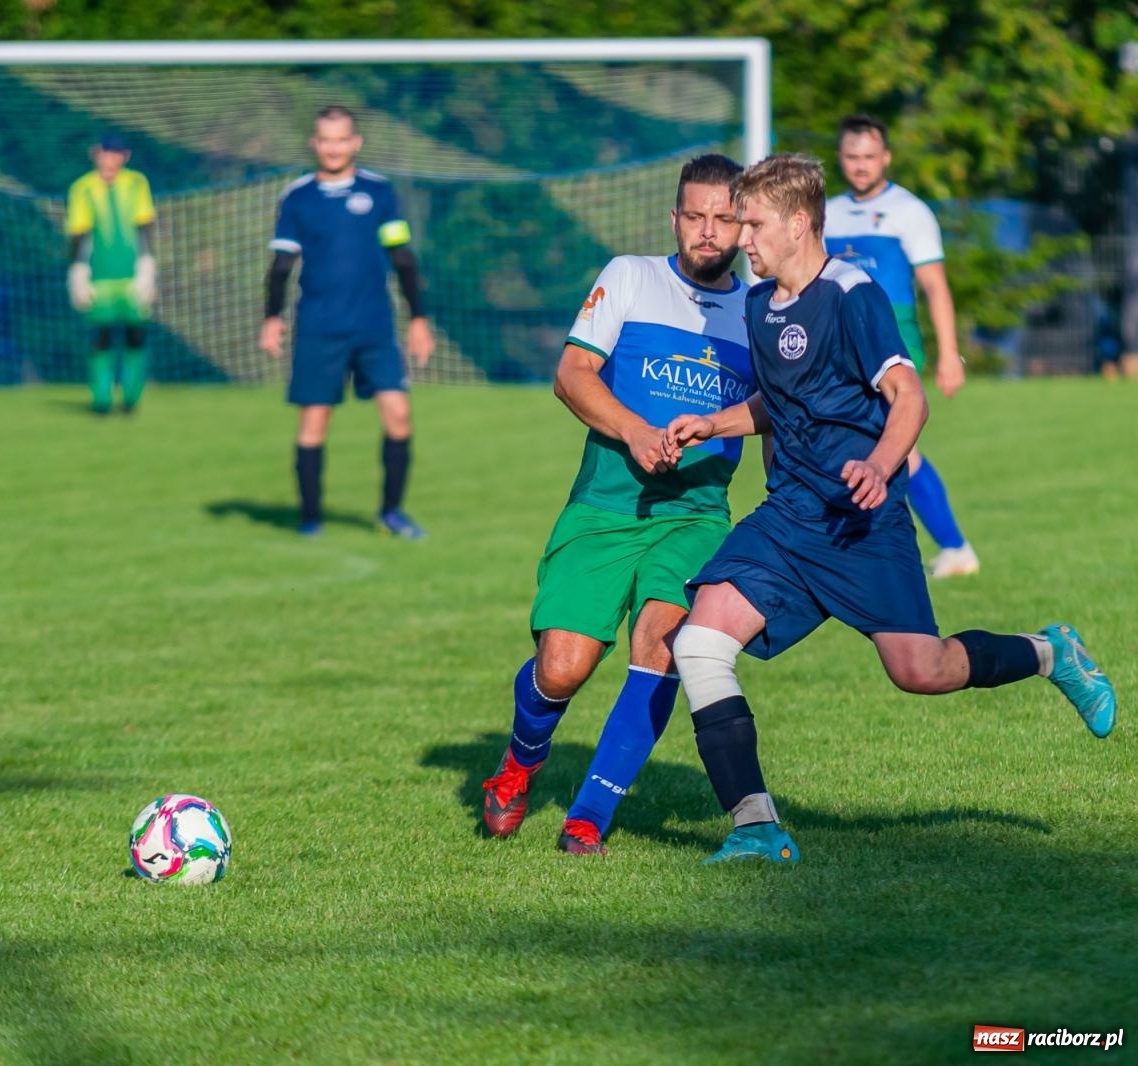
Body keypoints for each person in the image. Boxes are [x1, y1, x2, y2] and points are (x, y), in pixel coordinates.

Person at [662, 154, 1117, 865]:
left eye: (752, 223)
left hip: (860, 522)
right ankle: (756, 825)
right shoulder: (757, 303)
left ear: (798, 223)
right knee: (697, 643)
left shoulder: (852, 294)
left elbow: (910, 397)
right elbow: (778, 405)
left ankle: (1051, 651)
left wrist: (878, 464)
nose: (739, 238)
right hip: (788, 519)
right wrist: (714, 423)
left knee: (920, 670)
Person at [479, 154, 754, 855]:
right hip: (606, 508)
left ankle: (587, 821)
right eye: (695, 215)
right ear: (675, 217)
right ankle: (518, 765)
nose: (708, 231)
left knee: (661, 642)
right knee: (562, 667)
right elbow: (571, 375)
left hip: (695, 516)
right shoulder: (630, 276)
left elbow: (773, 418)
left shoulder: (760, 312)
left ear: (744, 224)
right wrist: (633, 430)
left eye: (724, 218)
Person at [258, 105, 435, 538]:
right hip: (319, 325)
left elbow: (403, 258)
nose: (334, 147)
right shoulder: (298, 197)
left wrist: (419, 319)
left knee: (399, 413)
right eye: (325, 139)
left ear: (355, 143)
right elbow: (282, 264)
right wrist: (271, 318)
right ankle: (310, 518)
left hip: (374, 324)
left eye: (342, 139)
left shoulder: (378, 193)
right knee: (315, 421)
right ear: (314, 144)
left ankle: (392, 512)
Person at [825, 115, 977, 577]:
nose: (861, 166)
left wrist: (949, 354)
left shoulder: (909, 211)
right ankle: (901, 551)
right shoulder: (828, 211)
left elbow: (935, 286)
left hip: (894, 335)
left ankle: (953, 547)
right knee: (859, 441)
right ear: (841, 159)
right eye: (852, 157)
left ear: (886, 157)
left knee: (895, 446)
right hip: (842, 336)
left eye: (870, 157)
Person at [67, 132, 157, 414]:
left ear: (124, 156)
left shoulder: (136, 183)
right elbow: (78, 232)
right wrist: (77, 271)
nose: (110, 158)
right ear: (96, 153)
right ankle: (102, 398)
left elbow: (144, 226)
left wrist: (148, 266)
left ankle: (131, 396)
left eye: (116, 153)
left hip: (132, 273)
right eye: (106, 152)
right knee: (101, 335)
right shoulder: (82, 187)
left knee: (135, 333)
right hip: (99, 276)